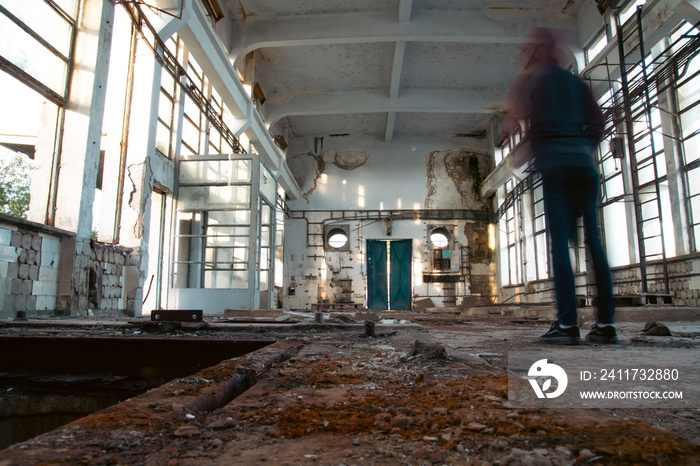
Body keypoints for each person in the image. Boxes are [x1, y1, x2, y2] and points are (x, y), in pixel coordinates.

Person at [503, 28, 617, 345]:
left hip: (555, 166)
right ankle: (606, 324)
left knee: (560, 247)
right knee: (593, 242)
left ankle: (568, 324)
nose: (525, 55)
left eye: (527, 50)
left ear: (539, 51)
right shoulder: (576, 82)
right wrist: (582, 151)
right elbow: (599, 122)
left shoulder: (532, 80)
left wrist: (540, 143)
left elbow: (515, 118)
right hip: (584, 166)